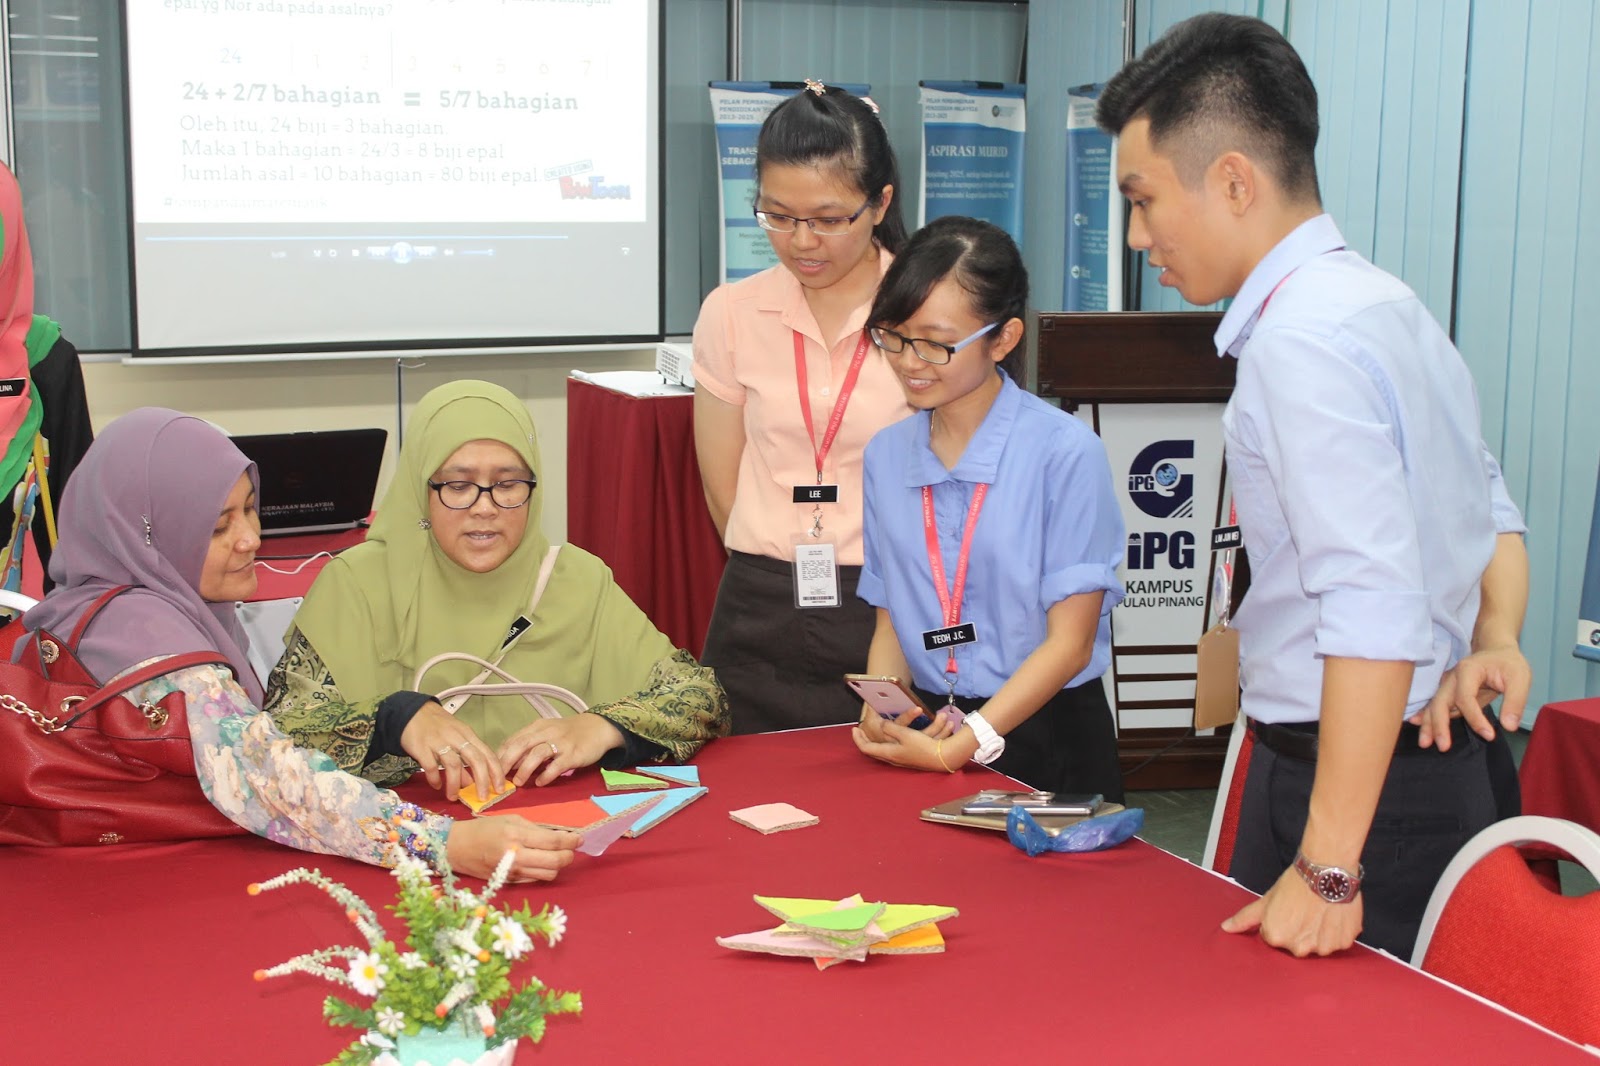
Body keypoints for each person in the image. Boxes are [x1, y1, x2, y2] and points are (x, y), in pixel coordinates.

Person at [1098, 13, 1530, 959]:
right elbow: (1489, 506)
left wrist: (1330, 868)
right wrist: (1493, 634)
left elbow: (1372, 604)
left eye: (1143, 200)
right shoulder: (1386, 305)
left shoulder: (1299, 347)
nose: (1136, 237)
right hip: (1426, 765)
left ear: (1235, 181)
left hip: (1361, 804)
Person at [15, 408, 579, 880]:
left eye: (250, 509)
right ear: (148, 532)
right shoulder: (147, 636)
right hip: (132, 887)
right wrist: (445, 845)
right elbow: (275, 783)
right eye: (216, 527)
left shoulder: (98, 600)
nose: (250, 539)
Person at [266, 380, 730, 796]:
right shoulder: (357, 584)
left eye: (507, 484)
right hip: (403, 839)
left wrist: (602, 728)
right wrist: (393, 719)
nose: (484, 508)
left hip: (560, 832)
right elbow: (273, 738)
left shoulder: (577, 580)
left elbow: (701, 698)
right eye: (458, 485)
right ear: (420, 490)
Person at [847, 217, 1126, 802]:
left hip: (1046, 728)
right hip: (934, 728)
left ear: (1003, 339)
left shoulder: (1065, 453)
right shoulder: (885, 455)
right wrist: (885, 699)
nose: (908, 360)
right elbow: (891, 617)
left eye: (935, 343)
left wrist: (964, 745)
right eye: (891, 335)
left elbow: (1070, 642)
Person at [693, 81, 913, 733]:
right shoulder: (732, 312)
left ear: (879, 204)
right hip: (760, 605)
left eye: (826, 218)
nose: (801, 241)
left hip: (891, 605)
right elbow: (721, 483)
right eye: (778, 216)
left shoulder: (926, 312)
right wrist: (779, 555)